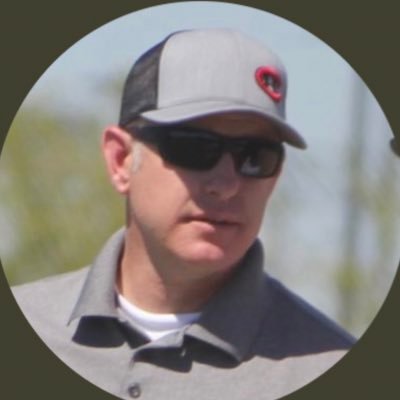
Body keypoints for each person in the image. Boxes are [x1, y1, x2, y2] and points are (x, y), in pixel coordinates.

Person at [12, 28, 355, 400]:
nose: (226, 184)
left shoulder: (328, 367)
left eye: (255, 157)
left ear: (276, 176)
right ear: (121, 160)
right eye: (194, 148)